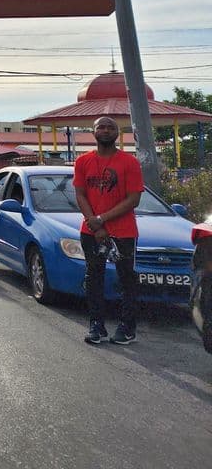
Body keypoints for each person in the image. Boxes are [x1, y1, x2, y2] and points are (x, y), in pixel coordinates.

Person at [75, 116, 144, 346]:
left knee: (127, 280)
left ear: (117, 133)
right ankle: (96, 325)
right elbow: (80, 194)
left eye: (110, 127)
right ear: (93, 132)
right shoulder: (82, 161)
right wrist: (93, 222)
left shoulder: (129, 162)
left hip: (123, 232)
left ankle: (127, 328)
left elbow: (133, 199)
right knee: (94, 278)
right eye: (101, 127)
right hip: (91, 231)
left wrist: (102, 219)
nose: (105, 130)